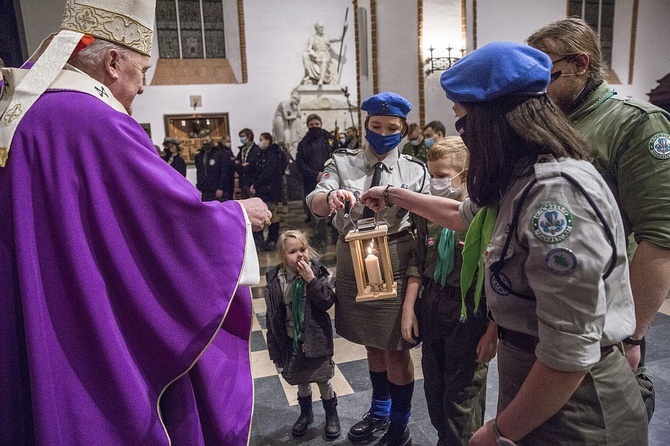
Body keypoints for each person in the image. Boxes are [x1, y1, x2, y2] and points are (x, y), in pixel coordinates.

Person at [0, 0, 272, 444]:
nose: (143, 86)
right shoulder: (96, 122)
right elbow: (167, 225)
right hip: (84, 328)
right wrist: (238, 216)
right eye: (142, 70)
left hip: (36, 302)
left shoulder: (27, 115)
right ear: (112, 63)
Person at [361, 41, 648, 446]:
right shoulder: (521, 176)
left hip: (579, 408)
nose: (462, 132)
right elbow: (462, 215)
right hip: (537, 384)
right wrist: (394, 194)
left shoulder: (556, 198)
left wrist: (498, 432)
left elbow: (569, 350)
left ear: (493, 121)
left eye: (463, 120)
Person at [527, 18, 670, 419]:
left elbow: (660, 238)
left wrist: (633, 335)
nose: (542, 86)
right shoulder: (555, 122)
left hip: (608, 316)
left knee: (608, 421)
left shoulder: (636, 123)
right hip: (558, 308)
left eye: (548, 73)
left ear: (581, 64)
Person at [307, 92, 429, 446]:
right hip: (353, 255)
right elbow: (317, 197)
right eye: (376, 126)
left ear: (403, 129)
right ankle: (379, 410)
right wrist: (328, 199)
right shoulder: (342, 162)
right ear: (366, 126)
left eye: (392, 127)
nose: (383, 133)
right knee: (370, 342)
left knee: (395, 345)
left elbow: (423, 221)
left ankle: (399, 423)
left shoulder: (414, 170)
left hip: (393, 256)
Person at [403, 137, 497, 445]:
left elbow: (498, 278)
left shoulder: (485, 216)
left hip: (469, 308)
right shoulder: (429, 213)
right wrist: (409, 309)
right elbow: (418, 259)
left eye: (442, 175)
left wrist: (492, 331)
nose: (435, 182)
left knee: (463, 396)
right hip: (434, 302)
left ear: (466, 173)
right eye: (431, 175)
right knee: (435, 390)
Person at [264, 230, 340, 439]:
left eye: (303, 249)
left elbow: (327, 302)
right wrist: (276, 352)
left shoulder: (318, 272)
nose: (299, 255)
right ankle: (306, 414)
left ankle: (331, 414)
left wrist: (311, 280)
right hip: (291, 341)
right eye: (292, 251)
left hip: (316, 339)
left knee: (324, 379)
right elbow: (272, 318)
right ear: (282, 255)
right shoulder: (275, 279)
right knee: (301, 380)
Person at [296, 113, 336, 245]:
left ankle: (337, 238)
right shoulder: (303, 143)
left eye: (316, 124)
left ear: (321, 124)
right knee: (317, 213)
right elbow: (300, 163)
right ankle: (320, 240)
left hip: (333, 181)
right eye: (311, 125)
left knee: (336, 210)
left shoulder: (330, 139)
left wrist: (327, 173)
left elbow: (338, 156)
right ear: (308, 126)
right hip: (312, 182)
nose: (314, 127)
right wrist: (315, 174)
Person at [251, 132, 284, 251]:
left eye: (262, 139)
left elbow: (268, 172)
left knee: (272, 214)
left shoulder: (273, 154)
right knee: (263, 214)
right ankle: (261, 239)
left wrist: (256, 183)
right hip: (263, 189)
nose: (260, 142)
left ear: (268, 140)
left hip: (271, 189)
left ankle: (272, 239)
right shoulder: (262, 154)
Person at [301, 21, 347, 86]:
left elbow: (340, 38)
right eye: (320, 27)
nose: (322, 28)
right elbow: (309, 48)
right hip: (316, 55)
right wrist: (312, 53)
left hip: (325, 55)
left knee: (324, 60)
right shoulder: (312, 38)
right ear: (316, 29)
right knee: (305, 55)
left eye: (322, 27)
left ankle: (321, 79)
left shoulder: (327, 37)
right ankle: (310, 75)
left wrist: (345, 29)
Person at [272, 90, 306, 157]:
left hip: (286, 122)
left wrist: (297, 107)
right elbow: (286, 117)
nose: (297, 103)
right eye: (297, 102)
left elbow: (299, 115)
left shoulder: (292, 106)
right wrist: (294, 116)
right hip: (280, 120)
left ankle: (288, 155)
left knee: (288, 140)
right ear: (294, 99)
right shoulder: (284, 104)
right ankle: (280, 155)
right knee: (281, 140)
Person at [195, 134, 227, 202]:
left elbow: (223, 171)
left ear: (211, 140)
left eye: (207, 140)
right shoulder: (199, 156)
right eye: (203, 141)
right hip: (205, 188)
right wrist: (199, 187)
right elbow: (199, 172)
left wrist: (220, 188)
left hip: (216, 187)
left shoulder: (219, 153)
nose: (205, 142)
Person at [235, 128, 262, 199]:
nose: (241, 138)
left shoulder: (256, 150)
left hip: (251, 180)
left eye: (242, 136)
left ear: (249, 136)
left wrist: (244, 165)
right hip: (242, 180)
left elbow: (253, 164)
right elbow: (236, 163)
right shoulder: (242, 150)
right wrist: (241, 165)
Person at [217, 134, 236, 201]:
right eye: (227, 141)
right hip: (224, 183)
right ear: (222, 140)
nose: (228, 143)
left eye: (229, 141)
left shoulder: (228, 151)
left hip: (230, 180)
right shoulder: (220, 152)